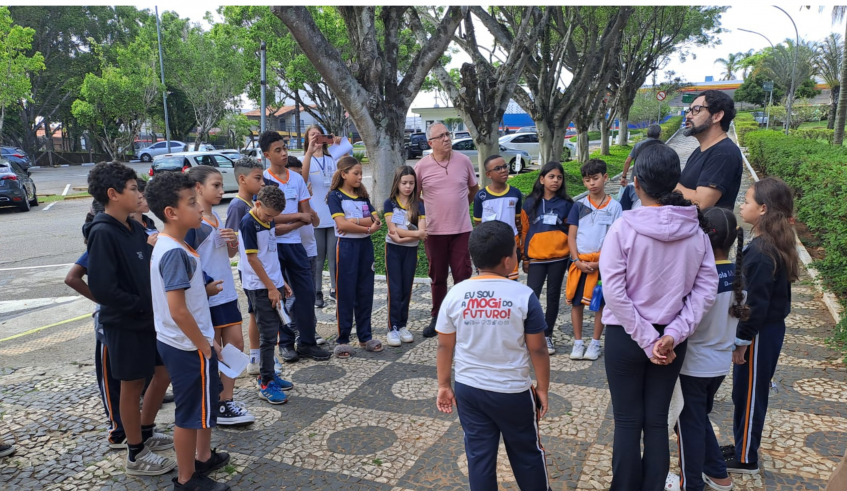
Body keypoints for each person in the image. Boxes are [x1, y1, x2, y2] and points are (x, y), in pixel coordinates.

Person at [600, 144, 718, 491]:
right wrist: (671, 335)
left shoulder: (623, 229)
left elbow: (614, 291)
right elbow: (705, 289)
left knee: (626, 421)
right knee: (656, 423)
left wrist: (646, 338)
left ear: (636, 183)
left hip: (626, 335)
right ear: (676, 182)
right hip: (670, 340)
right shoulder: (696, 232)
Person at [435, 220, 551, 491]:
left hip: (469, 390)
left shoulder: (455, 294)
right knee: (527, 454)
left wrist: (443, 385)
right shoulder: (524, 296)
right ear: (508, 260)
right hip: (512, 392)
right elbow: (538, 348)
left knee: (479, 457)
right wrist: (543, 388)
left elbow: (444, 346)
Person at [85, 162, 175, 476]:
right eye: (134, 188)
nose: (139, 193)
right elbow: (102, 288)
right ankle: (135, 452)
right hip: (125, 323)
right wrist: (138, 304)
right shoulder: (102, 232)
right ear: (113, 194)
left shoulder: (134, 227)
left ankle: (147, 431)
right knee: (131, 385)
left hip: (149, 319)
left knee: (162, 373)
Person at [145, 172, 231, 491]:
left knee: (203, 405)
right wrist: (204, 346)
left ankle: (203, 456)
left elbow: (188, 298)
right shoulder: (173, 251)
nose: (200, 208)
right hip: (186, 345)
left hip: (191, 341)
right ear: (171, 212)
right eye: (192, 203)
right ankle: (185, 478)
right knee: (190, 412)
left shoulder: (177, 243)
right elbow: (178, 309)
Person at [724, 177, 799, 475]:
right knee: (744, 391)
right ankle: (742, 443)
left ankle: (746, 457)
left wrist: (742, 342)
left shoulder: (761, 253)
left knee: (752, 394)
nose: (742, 205)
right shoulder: (768, 244)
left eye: (747, 201)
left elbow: (754, 305)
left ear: (764, 209)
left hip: (758, 335)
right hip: (763, 332)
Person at [672, 207, 749, 491]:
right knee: (696, 421)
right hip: (718, 365)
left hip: (693, 365)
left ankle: (693, 483)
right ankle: (718, 474)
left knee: (688, 426)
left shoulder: (701, 276)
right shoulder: (737, 272)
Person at [185, 166, 255, 426]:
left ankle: (227, 400)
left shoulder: (218, 217)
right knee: (212, 351)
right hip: (206, 297)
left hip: (225, 294)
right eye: (215, 185)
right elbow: (188, 262)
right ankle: (213, 402)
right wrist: (202, 289)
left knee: (235, 345)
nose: (221, 190)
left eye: (220, 185)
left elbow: (230, 256)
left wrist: (232, 243)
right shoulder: (194, 224)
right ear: (198, 188)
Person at [260, 131, 330, 362]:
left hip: (296, 245)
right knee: (281, 296)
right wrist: (296, 217)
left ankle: (307, 342)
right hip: (273, 248)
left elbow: (308, 215)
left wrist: (291, 219)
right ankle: (286, 343)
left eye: (284, 148)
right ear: (266, 154)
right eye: (277, 150)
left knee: (306, 294)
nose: (283, 153)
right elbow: (265, 220)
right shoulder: (263, 180)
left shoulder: (296, 178)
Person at [65, 203, 125, 449]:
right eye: (135, 191)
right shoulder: (103, 239)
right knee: (111, 379)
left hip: (131, 320)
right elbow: (72, 278)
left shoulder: (133, 233)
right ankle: (118, 431)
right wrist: (103, 301)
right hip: (109, 324)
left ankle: (139, 427)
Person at [415, 122, 479, 338]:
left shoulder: (463, 161)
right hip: (433, 232)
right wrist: (428, 212)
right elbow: (413, 196)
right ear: (430, 142)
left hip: (462, 229)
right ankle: (438, 317)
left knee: (463, 274)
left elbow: (473, 188)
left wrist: (460, 206)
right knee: (438, 276)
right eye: (441, 136)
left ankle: (463, 317)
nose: (447, 138)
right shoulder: (422, 166)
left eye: (448, 134)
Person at [239, 185, 295, 405]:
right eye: (269, 214)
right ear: (258, 203)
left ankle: (270, 374)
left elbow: (271, 253)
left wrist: (281, 282)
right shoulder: (248, 223)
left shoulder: (268, 218)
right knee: (268, 335)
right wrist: (271, 287)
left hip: (273, 282)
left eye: (275, 216)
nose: (271, 219)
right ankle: (265, 382)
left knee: (275, 331)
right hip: (260, 286)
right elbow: (253, 260)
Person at [327, 156, 384, 357]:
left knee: (365, 291)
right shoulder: (335, 196)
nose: (360, 177)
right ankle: (343, 339)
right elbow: (341, 225)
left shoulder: (362, 196)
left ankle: (365, 336)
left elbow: (376, 220)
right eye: (356, 173)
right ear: (344, 174)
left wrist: (357, 222)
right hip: (346, 248)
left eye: (361, 173)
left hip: (364, 247)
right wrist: (367, 227)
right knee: (346, 293)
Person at [566, 159, 622, 361]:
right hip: (580, 262)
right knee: (576, 303)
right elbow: (571, 236)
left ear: (605, 178)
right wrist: (576, 260)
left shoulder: (615, 207)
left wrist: (602, 263)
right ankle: (578, 341)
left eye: (596, 178)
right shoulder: (579, 206)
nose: (592, 184)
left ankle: (595, 343)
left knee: (600, 303)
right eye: (587, 180)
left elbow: (616, 238)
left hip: (603, 263)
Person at [520, 162, 574, 355]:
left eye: (559, 177)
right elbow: (524, 231)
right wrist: (524, 257)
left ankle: (547, 335)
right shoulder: (529, 203)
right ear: (542, 179)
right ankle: (530, 335)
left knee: (553, 297)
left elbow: (572, 232)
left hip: (559, 258)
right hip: (536, 259)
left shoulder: (568, 204)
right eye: (551, 176)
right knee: (531, 297)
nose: (556, 181)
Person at [226, 157, 264, 375]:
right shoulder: (237, 206)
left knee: (261, 314)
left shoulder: (253, 202)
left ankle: (259, 356)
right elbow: (232, 245)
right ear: (242, 179)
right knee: (255, 313)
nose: (262, 183)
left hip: (260, 264)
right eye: (257, 178)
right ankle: (255, 358)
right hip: (249, 268)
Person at [676, 90, 743, 210]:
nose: (688, 115)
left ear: (716, 116)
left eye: (696, 109)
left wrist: (667, 183)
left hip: (708, 228)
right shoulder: (700, 150)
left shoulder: (724, 153)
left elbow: (701, 204)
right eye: (689, 110)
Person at [383, 165, 427, 347]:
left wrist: (406, 236)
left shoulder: (420, 204)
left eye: (411, 183)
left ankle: (402, 325)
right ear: (397, 183)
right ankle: (392, 327)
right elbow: (393, 230)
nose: (408, 186)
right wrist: (415, 234)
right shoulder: (390, 203)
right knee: (395, 288)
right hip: (393, 249)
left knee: (406, 287)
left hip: (410, 250)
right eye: (404, 183)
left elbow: (424, 232)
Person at [285, 155, 326, 347]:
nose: (299, 179)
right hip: (291, 251)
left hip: (309, 251)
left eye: (301, 175)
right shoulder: (285, 198)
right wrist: (301, 216)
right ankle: (291, 331)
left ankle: (310, 329)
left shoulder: (304, 197)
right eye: (295, 175)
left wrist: (308, 208)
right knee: (291, 296)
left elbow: (315, 222)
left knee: (308, 294)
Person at [301, 124, 341, 307]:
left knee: (334, 254)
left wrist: (338, 145)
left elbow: (345, 169)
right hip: (315, 214)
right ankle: (317, 291)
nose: (316, 138)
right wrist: (309, 152)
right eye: (312, 135)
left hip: (332, 214)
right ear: (307, 139)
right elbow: (303, 177)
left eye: (319, 135)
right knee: (318, 256)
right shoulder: (305, 159)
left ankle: (334, 288)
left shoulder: (331, 158)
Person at [472, 155, 523, 280]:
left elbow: (518, 221)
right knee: (491, 279)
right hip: (489, 243)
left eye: (504, 166)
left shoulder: (515, 194)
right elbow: (478, 223)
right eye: (498, 168)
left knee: (511, 280)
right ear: (488, 174)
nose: (503, 170)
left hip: (510, 241)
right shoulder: (481, 196)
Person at [619, 124, 662, 188]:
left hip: (636, 180)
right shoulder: (662, 148)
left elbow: (628, 161)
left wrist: (624, 177)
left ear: (647, 133)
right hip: (653, 182)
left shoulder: (638, 145)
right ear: (659, 134)